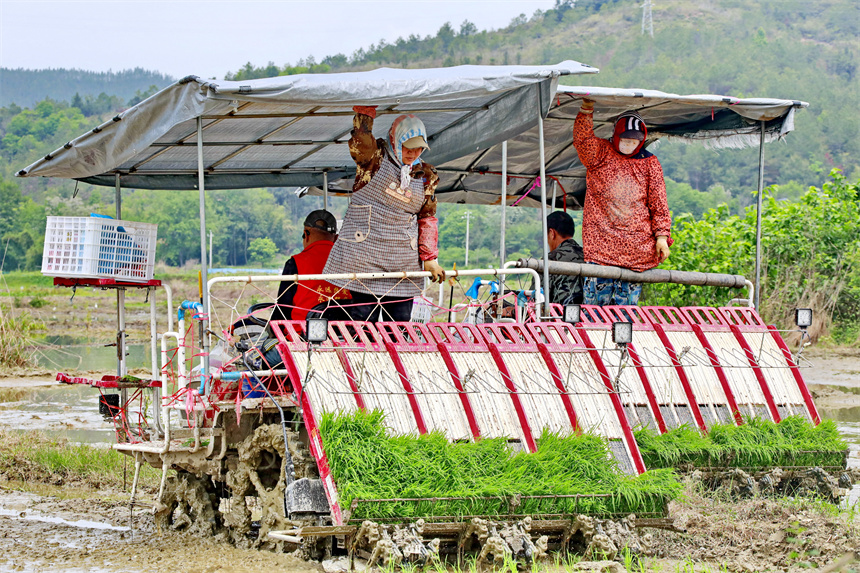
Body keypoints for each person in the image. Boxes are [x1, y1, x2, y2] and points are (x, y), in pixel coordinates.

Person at [323, 106, 446, 322]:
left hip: (402, 262)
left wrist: (430, 259)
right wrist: (365, 115)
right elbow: (361, 142)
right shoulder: (375, 158)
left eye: (419, 148)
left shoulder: (426, 175)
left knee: (399, 322)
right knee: (362, 319)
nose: (413, 153)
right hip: (365, 255)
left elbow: (427, 219)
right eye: (408, 147)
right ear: (395, 140)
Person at [572, 99, 672, 306]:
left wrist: (662, 237)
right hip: (601, 249)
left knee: (624, 315)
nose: (629, 144)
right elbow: (582, 140)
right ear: (616, 136)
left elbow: (659, 203)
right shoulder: (600, 153)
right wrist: (586, 111)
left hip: (636, 253)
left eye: (634, 141)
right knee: (594, 312)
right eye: (625, 139)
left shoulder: (650, 163)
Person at [271, 209, 350, 322]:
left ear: (306, 235)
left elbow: (282, 309)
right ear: (336, 238)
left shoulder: (295, 263)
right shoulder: (351, 261)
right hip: (346, 329)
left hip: (303, 330)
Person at [545, 211, 585, 305]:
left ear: (551, 233)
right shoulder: (588, 257)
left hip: (558, 313)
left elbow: (536, 298)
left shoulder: (550, 260)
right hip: (589, 312)